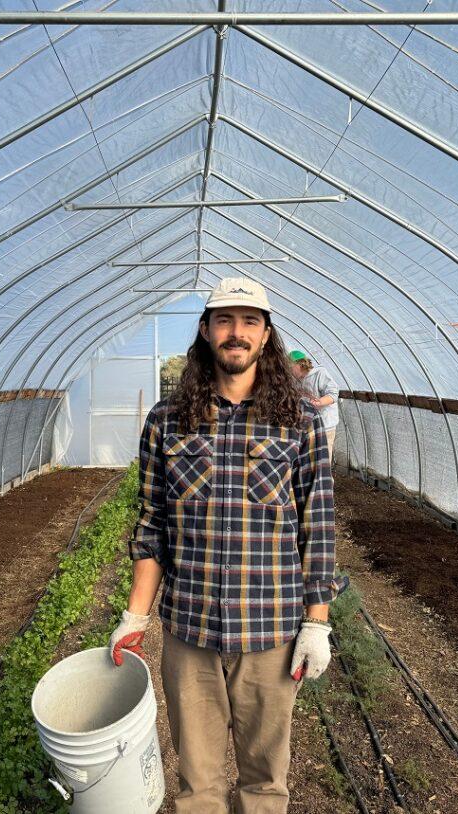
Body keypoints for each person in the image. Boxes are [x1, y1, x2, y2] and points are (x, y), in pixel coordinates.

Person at [109, 276, 336, 813]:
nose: (237, 332)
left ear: (266, 335)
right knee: (197, 782)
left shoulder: (298, 423)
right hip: (191, 628)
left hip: (272, 629)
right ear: (206, 331)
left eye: (249, 321)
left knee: (264, 779)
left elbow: (317, 528)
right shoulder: (167, 421)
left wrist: (317, 622)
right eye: (225, 320)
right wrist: (135, 619)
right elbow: (153, 526)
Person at [289, 350, 340, 463]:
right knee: (310, 459)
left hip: (325, 424)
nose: (289, 370)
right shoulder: (296, 380)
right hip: (308, 425)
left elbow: (333, 394)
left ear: (299, 364)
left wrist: (319, 402)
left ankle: (325, 479)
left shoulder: (319, 373)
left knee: (323, 458)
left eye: (290, 366)